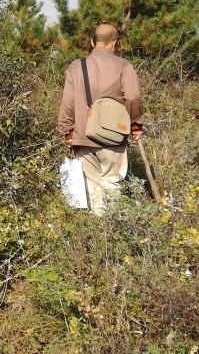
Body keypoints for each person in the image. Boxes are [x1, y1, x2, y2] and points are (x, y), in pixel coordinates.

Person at [57, 23, 144, 214]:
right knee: (112, 182)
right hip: (113, 136)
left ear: (92, 42)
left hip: (83, 134)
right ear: (116, 44)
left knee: (92, 186)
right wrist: (135, 124)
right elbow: (133, 97)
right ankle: (112, 228)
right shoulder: (124, 66)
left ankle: (98, 232)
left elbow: (68, 101)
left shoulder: (76, 67)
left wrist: (67, 131)